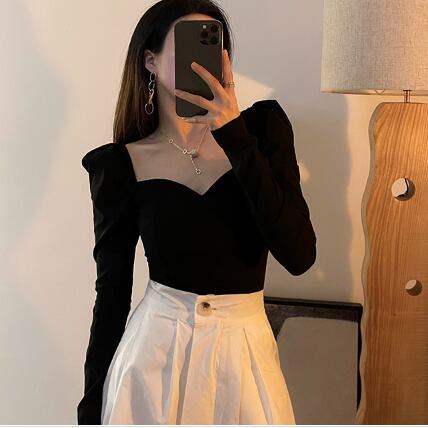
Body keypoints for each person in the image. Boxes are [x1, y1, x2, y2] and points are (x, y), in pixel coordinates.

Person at [77, 0, 316, 424]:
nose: (204, 60)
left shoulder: (263, 133)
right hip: (152, 361)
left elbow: (299, 256)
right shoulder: (120, 166)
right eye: (189, 44)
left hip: (244, 357)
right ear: (149, 61)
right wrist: (90, 409)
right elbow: (111, 295)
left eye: (213, 45)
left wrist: (234, 134)